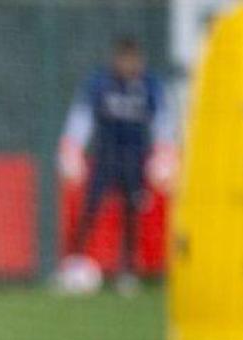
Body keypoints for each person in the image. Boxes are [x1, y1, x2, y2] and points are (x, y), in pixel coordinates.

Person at [57, 36, 174, 295]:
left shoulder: (150, 86)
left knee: (132, 212)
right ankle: (74, 262)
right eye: (124, 58)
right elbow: (82, 117)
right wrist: (72, 148)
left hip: (135, 157)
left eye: (133, 59)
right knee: (90, 208)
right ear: (116, 59)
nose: (129, 64)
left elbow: (163, 122)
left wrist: (164, 153)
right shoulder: (101, 83)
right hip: (105, 155)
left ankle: (128, 271)